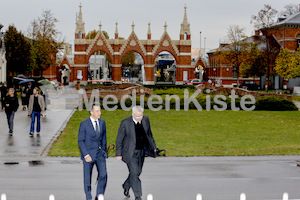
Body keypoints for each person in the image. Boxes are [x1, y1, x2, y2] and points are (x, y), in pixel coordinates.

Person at [115, 106, 158, 200]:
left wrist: (154, 147)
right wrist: (118, 153)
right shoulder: (125, 123)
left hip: (142, 151)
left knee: (138, 172)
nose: (140, 118)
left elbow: (149, 135)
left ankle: (126, 185)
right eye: (137, 116)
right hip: (130, 152)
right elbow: (119, 139)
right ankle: (138, 196)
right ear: (133, 114)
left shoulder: (145, 119)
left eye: (141, 116)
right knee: (134, 173)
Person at [78, 103, 107, 200]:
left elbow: (104, 138)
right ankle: (88, 197)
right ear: (91, 112)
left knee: (103, 174)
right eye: (97, 111)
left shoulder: (102, 122)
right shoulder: (84, 124)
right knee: (87, 178)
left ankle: (99, 196)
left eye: (100, 110)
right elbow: (80, 140)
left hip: (100, 155)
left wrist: (104, 152)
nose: (100, 113)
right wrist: (85, 155)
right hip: (88, 155)